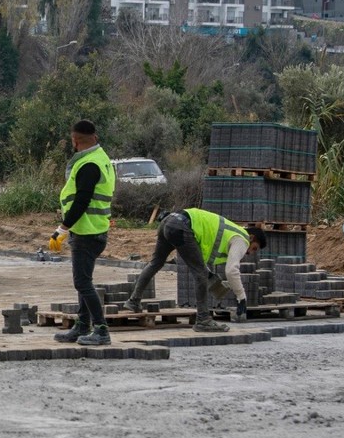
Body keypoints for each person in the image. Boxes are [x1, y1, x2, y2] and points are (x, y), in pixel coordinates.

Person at [122, 208, 265, 333]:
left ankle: (134, 301)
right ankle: (203, 320)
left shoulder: (228, 231)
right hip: (183, 226)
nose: (250, 253)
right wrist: (241, 297)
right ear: (251, 237)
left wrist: (208, 274)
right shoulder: (242, 239)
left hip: (170, 221)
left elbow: (198, 255)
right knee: (200, 275)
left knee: (156, 263)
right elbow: (232, 270)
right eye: (254, 248)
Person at [50, 119, 116, 345]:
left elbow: (82, 201)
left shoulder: (89, 164)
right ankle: (82, 325)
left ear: (75, 140)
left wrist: (62, 228)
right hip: (94, 229)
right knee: (84, 280)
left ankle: (101, 330)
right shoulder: (101, 159)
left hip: (87, 232)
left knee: (82, 283)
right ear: (95, 137)